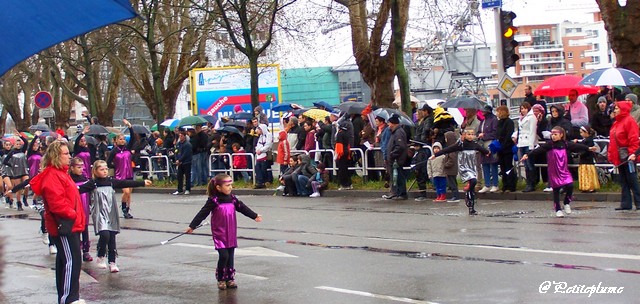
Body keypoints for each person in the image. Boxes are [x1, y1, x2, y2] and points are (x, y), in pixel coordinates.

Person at [29, 140, 87, 304]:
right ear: (56, 156)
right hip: (64, 224)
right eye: (66, 154)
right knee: (72, 261)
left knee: (66, 261)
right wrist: (72, 213)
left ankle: (67, 296)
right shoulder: (53, 175)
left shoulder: (59, 173)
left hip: (69, 223)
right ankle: (69, 298)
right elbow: (57, 202)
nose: (69, 156)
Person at [185, 174, 262, 290]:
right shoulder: (214, 200)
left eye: (231, 185)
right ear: (218, 187)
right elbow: (203, 213)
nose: (230, 187)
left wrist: (254, 216)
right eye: (227, 185)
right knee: (224, 255)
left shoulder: (232, 198)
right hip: (219, 232)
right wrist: (192, 226)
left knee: (230, 255)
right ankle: (221, 279)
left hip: (231, 231)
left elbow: (242, 208)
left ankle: (230, 278)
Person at [78, 160, 151, 272]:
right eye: (102, 169)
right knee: (105, 234)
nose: (105, 171)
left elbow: (125, 183)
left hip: (111, 212)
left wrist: (142, 183)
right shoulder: (93, 183)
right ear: (95, 171)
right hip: (100, 213)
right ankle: (101, 255)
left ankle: (112, 262)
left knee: (112, 237)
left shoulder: (111, 181)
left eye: (106, 169)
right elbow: (78, 190)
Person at [522, 126, 595, 217]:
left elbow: (576, 146)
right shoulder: (549, 145)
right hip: (554, 171)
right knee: (556, 190)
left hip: (563, 170)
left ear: (561, 135)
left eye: (555, 134)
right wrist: (528, 154)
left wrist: (588, 148)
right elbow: (538, 150)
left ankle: (566, 202)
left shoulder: (565, 144)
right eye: (552, 134)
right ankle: (558, 209)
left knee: (570, 185)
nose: (553, 136)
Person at [431, 129, 490, 215]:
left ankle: (471, 207)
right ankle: (468, 192)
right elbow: (448, 149)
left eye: (472, 134)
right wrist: (435, 155)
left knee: (472, 187)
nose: (471, 136)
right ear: (465, 135)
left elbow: (483, 150)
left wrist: (488, 152)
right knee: (473, 181)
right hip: (464, 167)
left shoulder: (475, 145)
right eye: (469, 134)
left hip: (472, 167)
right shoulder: (461, 145)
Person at [608, 101, 640, 211]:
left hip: (628, 156)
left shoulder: (629, 121)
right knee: (624, 180)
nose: (615, 110)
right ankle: (626, 203)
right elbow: (612, 141)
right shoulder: (616, 123)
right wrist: (611, 155)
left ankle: (638, 202)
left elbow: (634, 139)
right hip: (620, 156)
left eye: (617, 108)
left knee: (632, 180)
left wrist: (633, 153)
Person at [106, 119, 137, 218]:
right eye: (120, 139)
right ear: (115, 141)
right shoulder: (114, 151)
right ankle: (123, 208)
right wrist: (115, 166)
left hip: (129, 173)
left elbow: (133, 138)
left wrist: (130, 126)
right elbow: (108, 163)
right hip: (120, 175)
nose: (122, 140)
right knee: (126, 192)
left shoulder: (127, 148)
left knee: (129, 194)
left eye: (123, 139)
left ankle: (127, 210)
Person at [68, 158, 93, 262]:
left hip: (85, 205)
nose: (81, 169)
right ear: (72, 168)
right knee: (76, 229)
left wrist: (90, 204)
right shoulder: (69, 179)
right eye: (78, 167)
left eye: (82, 167)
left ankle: (86, 251)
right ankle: (76, 249)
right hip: (75, 207)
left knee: (85, 228)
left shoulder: (85, 178)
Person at [513, 102, 538, 192]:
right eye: (521, 108)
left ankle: (532, 184)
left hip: (528, 143)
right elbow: (520, 130)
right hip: (522, 143)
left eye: (524, 108)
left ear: (528, 108)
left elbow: (532, 132)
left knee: (530, 164)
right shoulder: (521, 118)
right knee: (526, 165)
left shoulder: (532, 117)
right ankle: (528, 183)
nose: (522, 110)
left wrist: (531, 146)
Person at [383, 115, 409, 200]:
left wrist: (392, 154)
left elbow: (400, 146)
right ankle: (396, 192)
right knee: (395, 177)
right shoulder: (395, 132)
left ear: (393, 124)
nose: (388, 125)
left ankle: (401, 193)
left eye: (389, 123)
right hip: (394, 159)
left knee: (399, 176)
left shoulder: (398, 132)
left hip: (397, 159)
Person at [477, 105, 499, 193]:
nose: (482, 112)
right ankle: (487, 184)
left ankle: (495, 184)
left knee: (493, 163)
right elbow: (479, 131)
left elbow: (495, 133)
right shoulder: (482, 121)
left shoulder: (494, 120)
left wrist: (485, 135)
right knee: (484, 163)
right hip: (482, 143)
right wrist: (479, 134)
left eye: (484, 111)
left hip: (491, 143)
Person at [495, 106, 516, 193]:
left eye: (498, 111)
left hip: (507, 147)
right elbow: (497, 133)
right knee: (502, 167)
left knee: (508, 166)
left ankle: (511, 185)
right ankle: (505, 184)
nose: (496, 113)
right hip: (500, 148)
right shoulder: (499, 122)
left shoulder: (509, 122)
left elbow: (509, 134)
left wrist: (504, 144)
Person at [574, 126, 600, 193]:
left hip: (587, 159)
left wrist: (580, 153)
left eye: (581, 132)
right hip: (585, 159)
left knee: (587, 173)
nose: (580, 134)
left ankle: (590, 187)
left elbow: (585, 148)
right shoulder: (585, 140)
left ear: (586, 132)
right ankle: (586, 186)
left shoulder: (589, 140)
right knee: (585, 173)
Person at [443, 131, 460, 202]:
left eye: (446, 138)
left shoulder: (452, 149)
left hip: (451, 170)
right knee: (452, 183)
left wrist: (445, 165)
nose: (445, 140)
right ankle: (455, 195)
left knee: (452, 184)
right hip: (451, 170)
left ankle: (455, 196)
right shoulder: (451, 148)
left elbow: (452, 160)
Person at [173, 131, 193, 195]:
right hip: (180, 163)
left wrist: (180, 160)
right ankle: (179, 189)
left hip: (186, 162)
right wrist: (176, 159)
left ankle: (187, 189)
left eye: (181, 136)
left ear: (184, 136)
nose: (180, 137)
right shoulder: (178, 144)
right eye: (179, 136)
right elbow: (176, 152)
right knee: (179, 176)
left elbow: (186, 154)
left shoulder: (187, 144)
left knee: (187, 176)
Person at [254, 124, 272, 189]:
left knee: (264, 169)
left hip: (265, 154)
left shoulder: (268, 135)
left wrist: (261, 150)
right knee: (257, 168)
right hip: (259, 155)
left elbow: (268, 145)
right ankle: (259, 182)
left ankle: (264, 181)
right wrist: (257, 150)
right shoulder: (261, 136)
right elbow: (258, 144)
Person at [335, 122, 352, 190]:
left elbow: (339, 145)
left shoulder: (340, 134)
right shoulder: (346, 133)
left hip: (341, 153)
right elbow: (348, 144)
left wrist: (338, 155)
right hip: (346, 152)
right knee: (346, 169)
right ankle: (349, 183)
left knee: (341, 169)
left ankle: (344, 184)